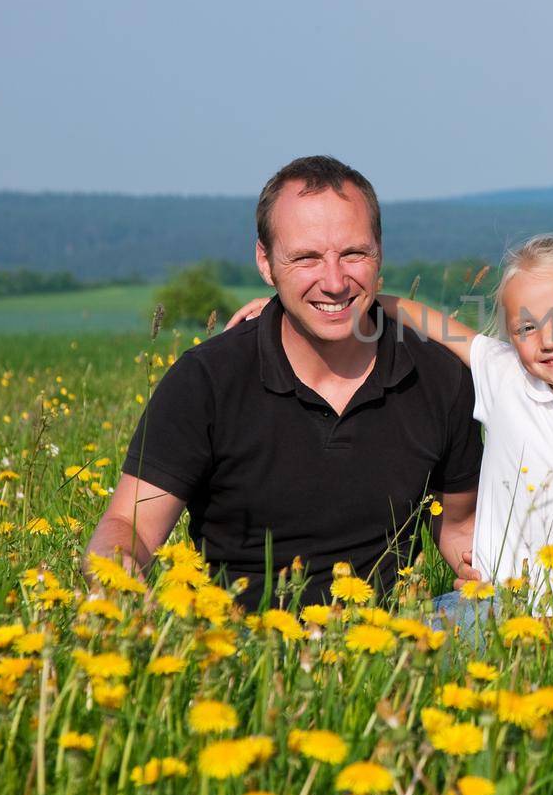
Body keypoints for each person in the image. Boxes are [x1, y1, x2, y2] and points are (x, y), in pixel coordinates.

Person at [232, 233, 553, 625]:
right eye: (526, 328)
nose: (548, 339)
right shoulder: (505, 374)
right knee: (378, 654)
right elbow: (422, 317)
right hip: (486, 604)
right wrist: (292, 313)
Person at [82, 156, 482, 610]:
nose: (334, 282)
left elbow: (458, 526)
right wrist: (120, 588)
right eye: (306, 258)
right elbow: (129, 524)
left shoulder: (441, 377)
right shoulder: (207, 380)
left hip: (392, 635)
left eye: (354, 254)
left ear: (380, 254)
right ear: (266, 262)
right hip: (238, 638)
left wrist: (495, 572)